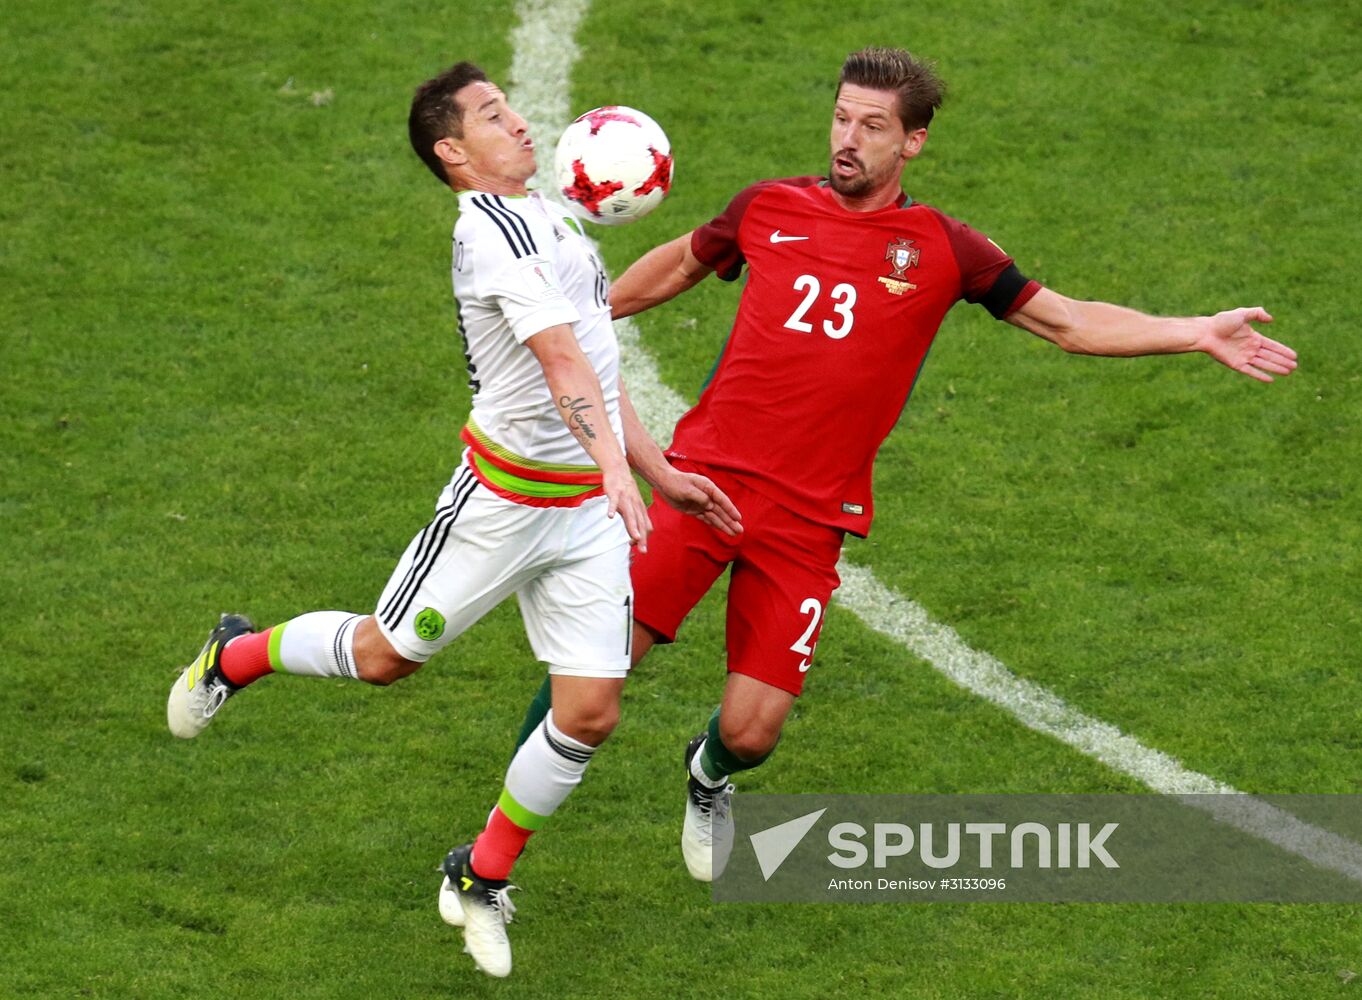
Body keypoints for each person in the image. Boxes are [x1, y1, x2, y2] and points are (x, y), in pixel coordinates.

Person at [511, 46, 1298, 882]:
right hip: (700, 484)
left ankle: (706, 777)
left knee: (751, 733)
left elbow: (1068, 322)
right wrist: (563, 319)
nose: (848, 138)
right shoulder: (767, 207)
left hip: (810, 520)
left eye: (872, 126)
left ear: (912, 142)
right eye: (842, 117)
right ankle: (498, 836)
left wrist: (1196, 330)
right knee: (596, 667)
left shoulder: (944, 248)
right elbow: (675, 264)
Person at [165, 60, 739, 978]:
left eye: (510, 109)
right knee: (388, 659)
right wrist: (613, 466)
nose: (518, 125)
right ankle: (237, 651)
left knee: (590, 714)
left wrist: (653, 471)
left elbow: (597, 358)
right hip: (500, 507)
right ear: (452, 153)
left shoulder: (553, 218)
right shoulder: (493, 237)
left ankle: (478, 876)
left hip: (585, 513)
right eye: (491, 116)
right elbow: (557, 363)